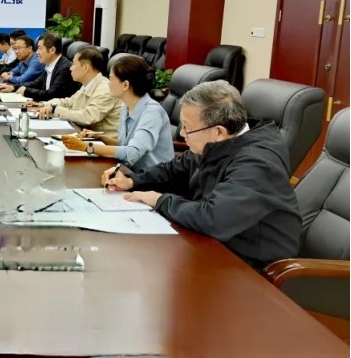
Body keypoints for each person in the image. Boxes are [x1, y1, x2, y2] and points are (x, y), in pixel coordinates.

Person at [105, 80, 301, 269]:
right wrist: (132, 180)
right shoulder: (219, 143)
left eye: (187, 128)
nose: (182, 134)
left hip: (251, 266)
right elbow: (174, 170)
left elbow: (214, 219)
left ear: (218, 132)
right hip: (214, 244)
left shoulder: (256, 164)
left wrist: (159, 200)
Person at [62, 55, 174, 171]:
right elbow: (124, 145)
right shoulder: (126, 106)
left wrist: (87, 147)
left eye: (111, 79)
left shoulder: (152, 113)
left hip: (153, 177)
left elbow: (132, 152)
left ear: (125, 85)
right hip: (128, 172)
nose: (108, 84)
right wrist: (100, 137)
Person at [35, 46, 121, 142]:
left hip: (104, 143)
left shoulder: (105, 89)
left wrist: (55, 109)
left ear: (86, 67)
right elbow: (69, 102)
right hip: (86, 135)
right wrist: (44, 104)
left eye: (74, 64)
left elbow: (88, 117)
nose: (70, 68)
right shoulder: (88, 84)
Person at [0, 34, 78, 101]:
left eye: (40, 48)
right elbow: (36, 83)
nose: (37, 52)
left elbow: (51, 94)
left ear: (52, 50)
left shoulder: (64, 68)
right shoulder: (50, 64)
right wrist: (14, 87)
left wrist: (26, 91)